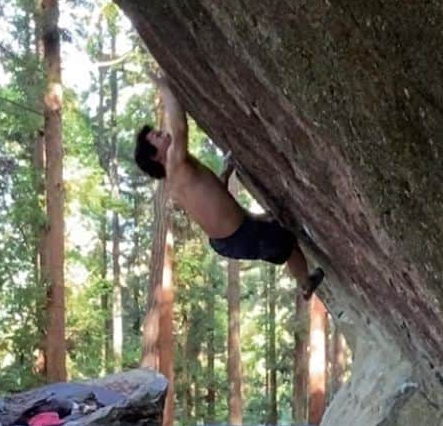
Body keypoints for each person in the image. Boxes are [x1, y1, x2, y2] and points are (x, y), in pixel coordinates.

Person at [134, 78, 324, 299]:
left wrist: (224, 173)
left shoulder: (178, 177)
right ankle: (305, 284)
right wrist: (165, 86)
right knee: (287, 242)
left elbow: (212, 202)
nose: (161, 132)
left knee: (272, 226)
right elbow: (179, 128)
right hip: (237, 236)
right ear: (157, 156)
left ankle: (261, 223)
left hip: (228, 236)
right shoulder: (174, 165)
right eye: (156, 137)